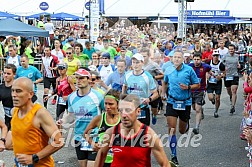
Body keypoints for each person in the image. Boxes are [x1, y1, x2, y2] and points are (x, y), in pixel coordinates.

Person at [94, 94, 170, 167]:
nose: (123, 115)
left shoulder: (148, 135)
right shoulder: (111, 132)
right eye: (121, 110)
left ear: (138, 111)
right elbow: (101, 155)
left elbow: (165, 164)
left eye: (128, 110)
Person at [5, 77, 63, 166]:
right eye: (12, 91)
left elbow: (59, 141)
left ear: (30, 94)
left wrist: (34, 157)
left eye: (18, 91)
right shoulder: (14, 111)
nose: (14, 95)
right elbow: (9, 144)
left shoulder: (39, 113)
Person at [57, 69, 104, 167]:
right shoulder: (72, 97)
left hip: (94, 136)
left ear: (88, 79)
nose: (78, 80)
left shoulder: (98, 96)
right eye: (77, 78)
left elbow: (106, 114)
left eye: (82, 78)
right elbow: (70, 115)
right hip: (79, 136)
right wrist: (62, 120)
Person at [162, 49, 200, 166]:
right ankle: (174, 156)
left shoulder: (189, 70)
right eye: (175, 57)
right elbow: (165, 82)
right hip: (172, 102)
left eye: (179, 57)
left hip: (185, 103)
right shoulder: (168, 70)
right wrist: (163, 93)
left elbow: (197, 84)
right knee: (171, 129)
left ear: (183, 59)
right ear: (172, 59)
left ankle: (186, 124)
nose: (177, 59)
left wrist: (188, 87)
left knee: (182, 131)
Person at [84, 89, 121, 167]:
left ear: (118, 104)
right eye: (105, 103)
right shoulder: (99, 118)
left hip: (119, 160)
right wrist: (93, 144)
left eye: (111, 104)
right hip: (103, 160)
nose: (107, 107)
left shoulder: (124, 119)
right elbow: (85, 134)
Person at [122, 53, 158, 126]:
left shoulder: (147, 76)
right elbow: (124, 86)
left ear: (142, 63)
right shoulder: (127, 75)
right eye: (133, 63)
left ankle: (154, 115)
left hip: (143, 108)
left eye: (137, 62)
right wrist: (123, 98)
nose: (135, 65)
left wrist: (149, 99)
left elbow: (156, 93)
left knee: (143, 133)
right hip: (130, 108)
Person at [189, 53, 211, 134]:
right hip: (191, 90)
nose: (196, 61)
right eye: (195, 59)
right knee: (194, 108)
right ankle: (201, 109)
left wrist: (211, 75)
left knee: (197, 109)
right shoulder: (189, 66)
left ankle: (196, 127)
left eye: (198, 59)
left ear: (201, 60)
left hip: (200, 90)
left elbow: (210, 70)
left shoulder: (205, 66)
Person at [206, 50, 226, 118]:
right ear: (212, 56)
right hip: (210, 82)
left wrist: (220, 76)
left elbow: (224, 73)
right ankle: (212, 99)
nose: (215, 57)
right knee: (210, 97)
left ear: (218, 56)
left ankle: (216, 111)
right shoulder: (209, 62)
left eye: (217, 55)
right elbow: (205, 70)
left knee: (218, 98)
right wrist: (207, 75)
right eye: (214, 55)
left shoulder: (221, 64)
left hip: (218, 83)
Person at [222, 44, 240, 114]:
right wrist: (224, 69)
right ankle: (230, 97)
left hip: (235, 75)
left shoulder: (236, 56)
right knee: (229, 90)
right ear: (228, 50)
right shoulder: (225, 56)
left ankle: (233, 106)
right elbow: (222, 64)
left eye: (232, 49)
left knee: (234, 91)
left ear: (234, 49)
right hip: (227, 75)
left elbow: (238, 63)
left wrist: (239, 65)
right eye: (230, 49)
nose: (231, 51)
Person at [0, 64, 16, 130]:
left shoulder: (18, 86)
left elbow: (31, 100)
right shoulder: (1, 88)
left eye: (8, 74)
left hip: (19, 120)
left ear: (14, 74)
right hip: (7, 119)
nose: (6, 75)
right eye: (4, 73)